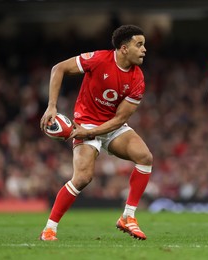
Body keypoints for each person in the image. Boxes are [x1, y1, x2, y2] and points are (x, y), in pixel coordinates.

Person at [39, 25, 152, 241]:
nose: (144, 49)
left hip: (111, 125)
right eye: (139, 45)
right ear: (124, 48)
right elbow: (58, 69)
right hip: (86, 121)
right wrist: (52, 106)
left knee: (145, 157)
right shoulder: (99, 59)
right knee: (82, 178)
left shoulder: (138, 79)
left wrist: (94, 132)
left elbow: (120, 119)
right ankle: (49, 230)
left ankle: (128, 217)